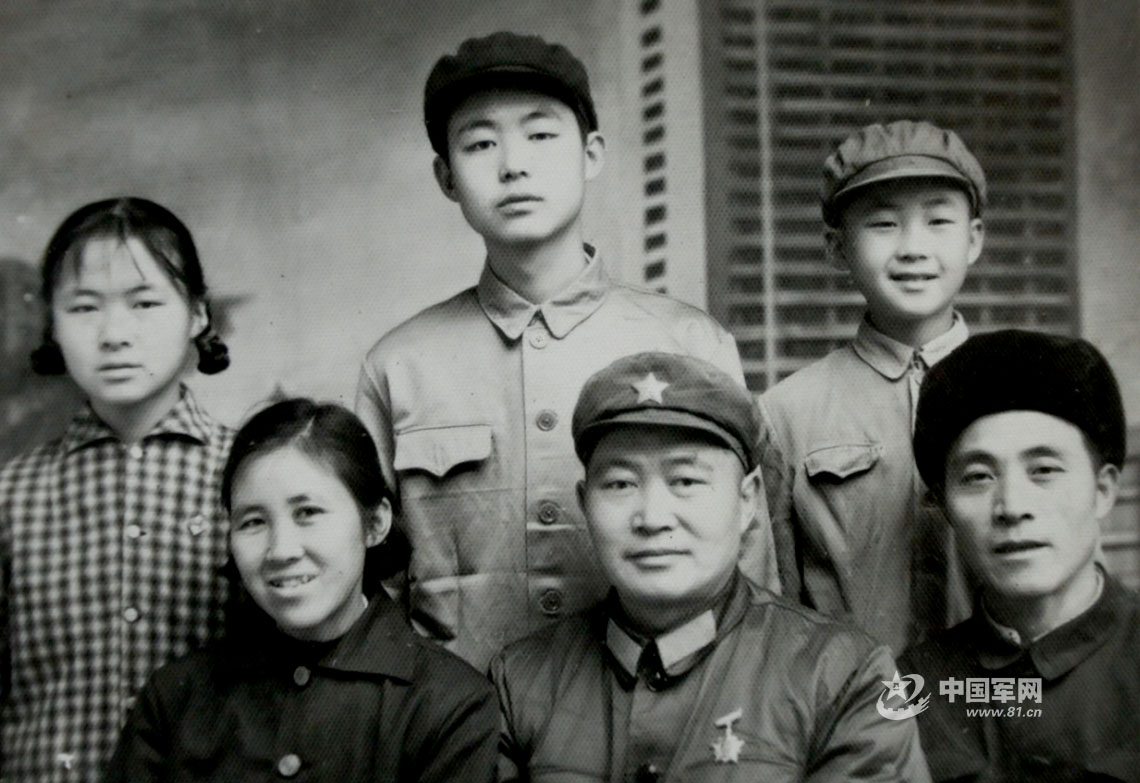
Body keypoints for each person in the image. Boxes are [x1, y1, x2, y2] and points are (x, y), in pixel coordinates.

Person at [356, 31, 783, 670]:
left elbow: (750, 570)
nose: (513, 165)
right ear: (446, 178)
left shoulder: (692, 342)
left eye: (540, 134)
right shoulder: (399, 366)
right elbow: (371, 586)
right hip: (456, 718)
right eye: (479, 143)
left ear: (591, 154)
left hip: (659, 709)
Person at [493, 352, 930, 782]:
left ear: (746, 500)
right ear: (584, 503)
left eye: (685, 481)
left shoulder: (842, 676)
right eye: (620, 483)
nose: (652, 518)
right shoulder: (520, 682)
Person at [107, 399, 498, 783]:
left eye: (308, 513)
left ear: (375, 523)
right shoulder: (174, 700)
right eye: (253, 521)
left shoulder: (450, 704)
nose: (281, 551)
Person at [0, 197, 233, 782]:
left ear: (197, 315)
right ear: (52, 324)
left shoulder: (250, 477)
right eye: (84, 308)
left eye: (145, 303)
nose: (114, 335)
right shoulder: (11, 496)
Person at [760, 120, 987, 652]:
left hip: (1002, 694)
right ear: (837, 248)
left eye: (938, 221)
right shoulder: (785, 414)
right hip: (853, 693)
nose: (913, 248)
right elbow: (773, 602)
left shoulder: (1025, 388)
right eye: (883, 224)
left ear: (974, 239)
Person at [899, 330, 1138, 781]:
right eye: (978, 476)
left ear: (1103, 491)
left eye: (1043, 470)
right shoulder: (914, 687)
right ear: (945, 506)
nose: (1011, 507)